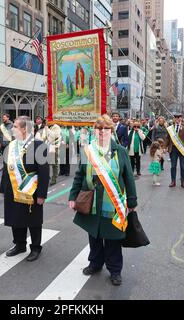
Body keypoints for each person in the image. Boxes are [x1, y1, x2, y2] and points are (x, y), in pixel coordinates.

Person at [68, 114, 137, 286]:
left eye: (105, 128)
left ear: (111, 130)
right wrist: (72, 196)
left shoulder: (120, 151)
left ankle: (115, 270)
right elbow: (79, 176)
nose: (102, 132)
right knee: (94, 235)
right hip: (92, 202)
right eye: (99, 128)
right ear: (94, 130)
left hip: (113, 203)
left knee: (113, 239)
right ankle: (95, 263)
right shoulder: (88, 150)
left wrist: (132, 201)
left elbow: (128, 177)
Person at [0, 116, 50, 262]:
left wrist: (41, 194)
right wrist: (3, 188)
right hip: (13, 188)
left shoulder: (39, 145)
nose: (12, 129)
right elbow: (6, 169)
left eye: (15, 126)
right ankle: (19, 244)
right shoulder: (11, 146)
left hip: (31, 189)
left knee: (33, 220)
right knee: (15, 217)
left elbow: (44, 172)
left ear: (24, 129)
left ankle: (35, 247)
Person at [166, 113, 184, 189]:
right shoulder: (171, 128)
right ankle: (173, 181)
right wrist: (164, 147)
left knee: (183, 166)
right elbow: (168, 138)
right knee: (173, 166)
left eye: (179, 118)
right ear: (174, 119)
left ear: (181, 118)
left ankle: (183, 182)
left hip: (183, 149)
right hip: (173, 149)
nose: (177, 119)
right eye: (176, 118)